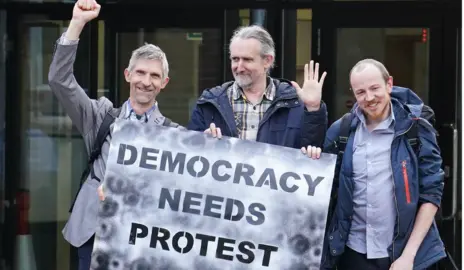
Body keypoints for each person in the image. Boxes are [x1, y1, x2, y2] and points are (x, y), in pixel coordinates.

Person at [47, 0, 179, 269]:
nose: (146, 81)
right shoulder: (100, 116)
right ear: (127, 74)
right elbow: (60, 81)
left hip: (140, 240)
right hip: (92, 232)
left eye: (154, 76)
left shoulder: (174, 134)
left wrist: (213, 143)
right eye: (140, 72)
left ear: (164, 83)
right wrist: (77, 24)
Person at [303, 59, 446, 270]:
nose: (369, 98)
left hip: (406, 255)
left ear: (389, 84)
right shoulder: (340, 132)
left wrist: (409, 256)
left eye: (374, 88)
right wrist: (313, 159)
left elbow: (431, 193)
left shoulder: (415, 129)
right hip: (354, 253)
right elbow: (324, 189)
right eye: (360, 92)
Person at [188, 25, 327, 152]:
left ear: (267, 61)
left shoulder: (294, 104)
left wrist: (313, 109)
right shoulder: (208, 104)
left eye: (247, 60)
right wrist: (202, 143)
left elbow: (312, 155)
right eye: (235, 59)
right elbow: (190, 155)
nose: (239, 67)